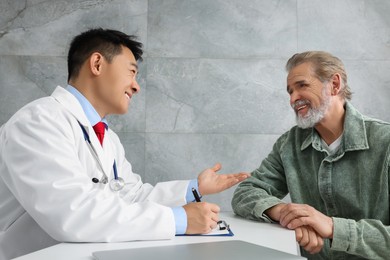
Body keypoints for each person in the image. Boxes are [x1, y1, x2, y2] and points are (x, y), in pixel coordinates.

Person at [0, 28, 249, 260]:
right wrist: (178, 220)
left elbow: (131, 195)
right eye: (131, 71)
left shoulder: (106, 137)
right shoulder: (38, 122)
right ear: (97, 64)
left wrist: (194, 188)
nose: (136, 86)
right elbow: (72, 213)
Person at [231, 51, 390, 259]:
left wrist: (332, 227)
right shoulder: (289, 144)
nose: (293, 99)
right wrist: (287, 214)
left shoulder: (385, 142)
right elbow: (245, 191)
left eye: (302, 86)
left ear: (334, 84)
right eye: (290, 92)